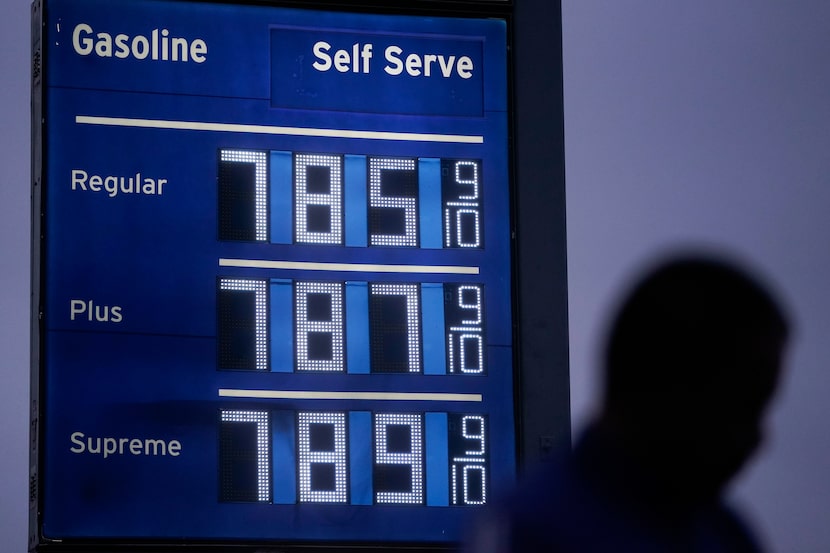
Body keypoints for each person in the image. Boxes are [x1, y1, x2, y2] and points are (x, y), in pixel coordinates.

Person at [469, 254, 790, 552]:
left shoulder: (725, 534)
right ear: (668, 390)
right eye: (743, 408)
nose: (760, 439)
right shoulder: (530, 532)